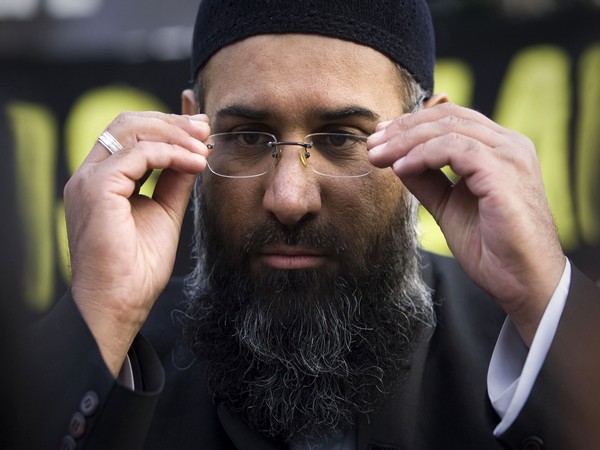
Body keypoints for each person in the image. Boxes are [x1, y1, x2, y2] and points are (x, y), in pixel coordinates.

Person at [17, 0, 600, 449]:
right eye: (248, 137)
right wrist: (100, 315)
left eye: (341, 138)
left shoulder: (523, 342)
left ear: (428, 134)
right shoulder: (117, 351)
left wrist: (542, 296)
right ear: (191, 129)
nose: (289, 197)